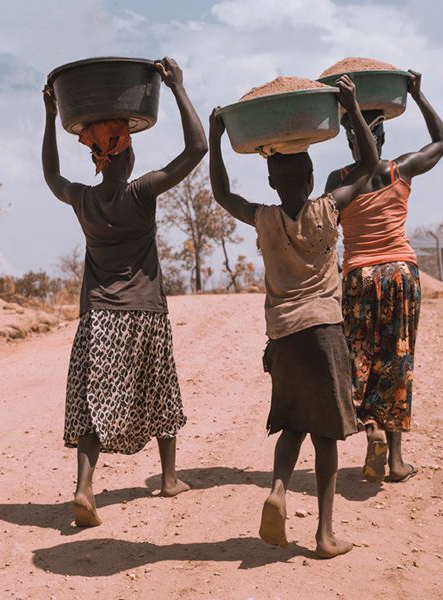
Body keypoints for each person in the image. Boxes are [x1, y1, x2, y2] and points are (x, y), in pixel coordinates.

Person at [208, 75, 377, 558]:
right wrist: (350, 106)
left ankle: (279, 489)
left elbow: (221, 194)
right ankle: (324, 535)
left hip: (283, 335)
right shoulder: (329, 207)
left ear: (270, 181)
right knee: (326, 434)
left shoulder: (262, 217)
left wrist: (219, 140)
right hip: (325, 330)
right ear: (308, 177)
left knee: (291, 424)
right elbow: (366, 165)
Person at [41, 56, 208, 527]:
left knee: (97, 402)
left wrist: (50, 117)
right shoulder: (141, 192)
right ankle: (170, 477)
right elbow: (196, 149)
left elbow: (51, 176)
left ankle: (83, 488)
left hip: (99, 317)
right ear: (127, 157)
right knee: (161, 394)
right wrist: (177, 87)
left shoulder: (84, 198)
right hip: (145, 313)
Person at [324, 70, 443, 484]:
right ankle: (396, 462)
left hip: (360, 275)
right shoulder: (402, 169)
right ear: (382, 137)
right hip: (401, 273)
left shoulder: (338, 181)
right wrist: (417, 92)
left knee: (359, 360)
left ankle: (371, 430)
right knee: (398, 360)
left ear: (350, 137)